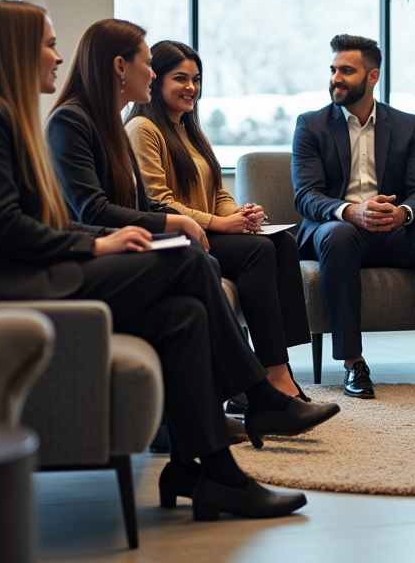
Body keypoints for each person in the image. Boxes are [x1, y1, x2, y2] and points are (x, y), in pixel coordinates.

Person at [0, 0, 338, 521]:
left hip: (28, 272)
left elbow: (47, 220)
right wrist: (98, 244)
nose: (58, 56)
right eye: (50, 44)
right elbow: (5, 227)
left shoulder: (2, 115)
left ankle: (212, 473)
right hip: (5, 287)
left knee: (185, 316)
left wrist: (107, 237)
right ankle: (261, 394)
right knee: (190, 264)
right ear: (13, 48)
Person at [125, 40, 311, 399]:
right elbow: (156, 203)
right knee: (258, 251)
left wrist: (242, 214)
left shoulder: (192, 131)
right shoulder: (142, 129)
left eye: (196, 79)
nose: (191, 87)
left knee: (283, 243)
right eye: (181, 78)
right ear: (155, 79)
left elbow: (218, 195)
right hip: (175, 238)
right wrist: (221, 223)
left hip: (206, 231)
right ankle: (273, 376)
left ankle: (278, 365)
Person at [291, 34, 415, 398]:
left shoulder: (407, 125)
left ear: (372, 76)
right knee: (339, 235)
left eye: (346, 70)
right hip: (337, 229)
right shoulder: (311, 125)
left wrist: (402, 213)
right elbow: (306, 196)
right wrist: (350, 211)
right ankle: (353, 363)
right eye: (333, 70)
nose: (336, 77)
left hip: (390, 229)